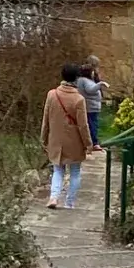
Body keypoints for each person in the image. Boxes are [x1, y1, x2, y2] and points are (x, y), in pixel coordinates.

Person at [41, 62, 93, 209]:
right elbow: (83, 125)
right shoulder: (79, 99)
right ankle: (69, 203)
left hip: (56, 139)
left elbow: (46, 119)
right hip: (74, 142)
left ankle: (54, 197)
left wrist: (43, 138)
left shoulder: (52, 95)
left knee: (58, 170)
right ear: (76, 78)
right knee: (75, 172)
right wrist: (88, 144)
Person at [75, 56, 104, 151]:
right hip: (90, 106)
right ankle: (93, 142)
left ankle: (90, 142)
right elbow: (90, 89)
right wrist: (100, 84)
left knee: (90, 124)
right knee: (91, 124)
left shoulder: (88, 78)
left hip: (92, 105)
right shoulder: (85, 79)